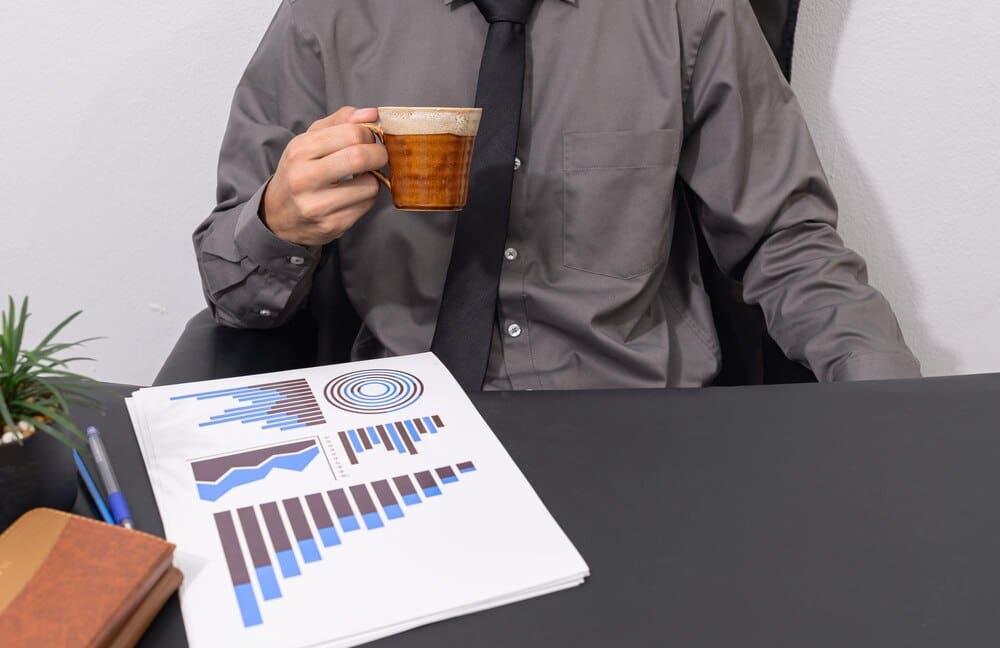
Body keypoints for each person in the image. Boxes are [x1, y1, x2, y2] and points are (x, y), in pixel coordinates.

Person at [193, 0, 921, 390]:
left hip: (638, 425)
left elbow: (788, 245)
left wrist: (892, 411)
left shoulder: (688, 11)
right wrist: (277, 224)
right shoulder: (329, 16)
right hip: (403, 420)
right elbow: (231, 287)